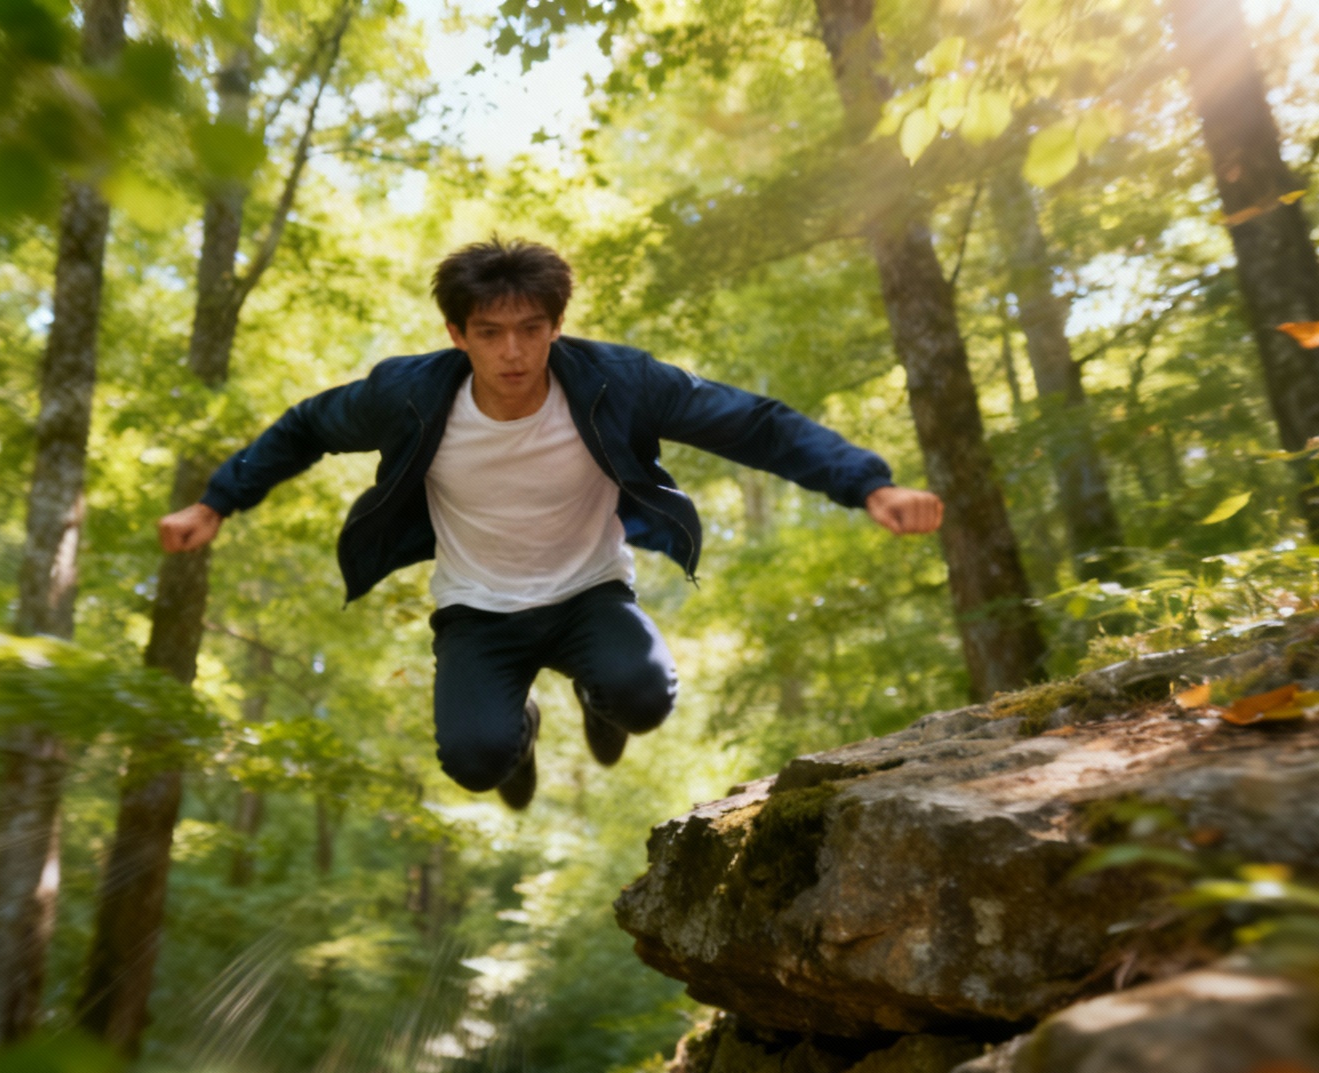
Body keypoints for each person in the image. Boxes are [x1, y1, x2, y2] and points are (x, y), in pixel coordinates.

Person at [158, 239, 942, 810]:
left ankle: (597, 698)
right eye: (490, 334)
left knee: (643, 698)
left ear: (556, 325)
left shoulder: (618, 383)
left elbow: (753, 423)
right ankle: (522, 723)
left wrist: (866, 485)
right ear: (457, 335)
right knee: (474, 760)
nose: (512, 353)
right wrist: (215, 501)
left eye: (531, 328)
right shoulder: (407, 396)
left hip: (589, 591)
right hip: (477, 609)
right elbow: (304, 426)